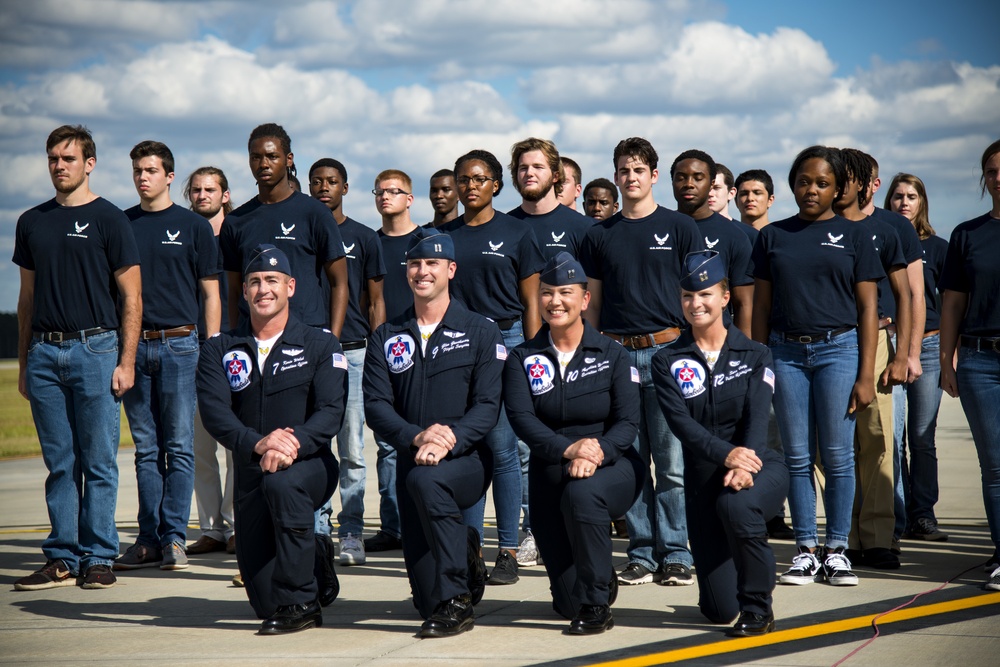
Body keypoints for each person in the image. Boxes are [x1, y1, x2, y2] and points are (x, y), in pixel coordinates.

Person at [13, 125, 141, 591]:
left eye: (68, 158)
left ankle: (99, 556)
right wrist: (26, 362)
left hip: (97, 348)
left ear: (89, 164)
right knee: (61, 462)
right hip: (44, 351)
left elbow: (132, 297)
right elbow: (26, 300)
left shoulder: (110, 219)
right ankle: (62, 556)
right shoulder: (30, 221)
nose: (59, 165)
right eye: (52, 158)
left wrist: (126, 361)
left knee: (100, 459)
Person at [196, 244, 347, 634]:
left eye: (273, 281)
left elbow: (331, 413)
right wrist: (259, 443)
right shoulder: (219, 349)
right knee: (264, 602)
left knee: (284, 485)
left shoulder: (320, 344)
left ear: (291, 287)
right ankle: (314, 556)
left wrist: (290, 444)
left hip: (309, 465)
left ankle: (301, 601)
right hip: (250, 471)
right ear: (244, 291)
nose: (264, 289)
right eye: (255, 282)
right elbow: (216, 413)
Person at [752, 145, 883, 587]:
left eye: (822, 183)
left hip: (839, 351)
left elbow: (868, 308)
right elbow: (761, 306)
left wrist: (866, 373)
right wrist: (759, 362)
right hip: (785, 353)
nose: (812, 189)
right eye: (805, 181)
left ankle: (838, 550)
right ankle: (806, 550)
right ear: (792, 185)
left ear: (838, 188)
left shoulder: (856, 236)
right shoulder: (772, 236)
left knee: (838, 455)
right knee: (796, 456)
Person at [363, 230, 502, 637]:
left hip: (467, 461)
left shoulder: (480, 331)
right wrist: (417, 437)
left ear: (451, 270)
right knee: (424, 600)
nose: (422, 272)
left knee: (441, 596)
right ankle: (465, 551)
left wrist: (448, 438)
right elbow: (376, 408)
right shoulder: (387, 335)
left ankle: (457, 600)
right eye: (415, 264)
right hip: (412, 461)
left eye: (432, 264)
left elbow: (488, 407)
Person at [579, 137, 702, 586]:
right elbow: (591, 304)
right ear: (616, 177)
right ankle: (642, 552)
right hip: (617, 356)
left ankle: (676, 553)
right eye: (623, 171)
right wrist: (591, 354)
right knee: (629, 461)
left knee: (671, 462)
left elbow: (698, 296)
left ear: (653, 176)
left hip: (670, 352)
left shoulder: (680, 227)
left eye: (638, 170)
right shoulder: (598, 235)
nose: (630, 178)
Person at [504, 251, 643, 634]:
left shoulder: (613, 354)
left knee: (583, 495)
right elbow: (522, 418)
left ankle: (598, 604)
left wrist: (596, 451)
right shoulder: (522, 357)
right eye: (547, 293)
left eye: (565, 292)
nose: (555, 301)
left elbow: (628, 422)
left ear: (584, 300)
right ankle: (595, 581)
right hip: (551, 469)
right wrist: (568, 449)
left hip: (612, 465)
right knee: (566, 603)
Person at [653, 250, 788, 636]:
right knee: (716, 609)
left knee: (737, 505)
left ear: (725, 298)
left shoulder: (756, 354)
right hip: (705, 478)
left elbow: (758, 419)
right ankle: (731, 578)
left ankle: (759, 607)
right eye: (688, 296)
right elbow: (681, 424)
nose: (696, 304)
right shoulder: (667, 360)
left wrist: (743, 464)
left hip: (761, 464)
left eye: (706, 294)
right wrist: (726, 456)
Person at [116, 141, 221, 573]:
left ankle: (174, 538)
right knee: (146, 449)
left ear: (169, 176)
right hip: (135, 346)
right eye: (138, 170)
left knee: (178, 446)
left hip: (182, 344)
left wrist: (211, 347)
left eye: (152, 170)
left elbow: (211, 293)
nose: (143, 177)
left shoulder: (193, 226)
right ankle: (147, 538)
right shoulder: (120, 224)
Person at [444, 149, 545, 585]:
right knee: (466, 447)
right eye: (463, 179)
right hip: (457, 345)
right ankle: (469, 548)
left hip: (507, 341)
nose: (470, 186)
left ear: (496, 185)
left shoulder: (517, 232)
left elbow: (531, 303)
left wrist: (533, 352)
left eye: (479, 179)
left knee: (503, 448)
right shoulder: (443, 235)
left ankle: (506, 549)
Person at [835, 149, 911, 571]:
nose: (840, 184)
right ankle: (841, 536)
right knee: (832, 447)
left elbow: (909, 295)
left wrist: (905, 354)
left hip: (876, 341)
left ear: (865, 183)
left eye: (848, 177)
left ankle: (879, 537)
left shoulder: (889, 227)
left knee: (878, 441)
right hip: (824, 344)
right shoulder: (807, 228)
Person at [309, 158, 387, 565]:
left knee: (352, 448)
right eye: (317, 181)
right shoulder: (302, 232)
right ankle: (318, 529)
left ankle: (352, 532)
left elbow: (376, 302)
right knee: (313, 443)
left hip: (355, 352)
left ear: (345, 187)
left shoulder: (362, 237)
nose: (325, 187)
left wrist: (381, 354)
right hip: (307, 353)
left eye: (332, 181)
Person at [939, 138, 1000, 591]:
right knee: (995, 465)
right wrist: (946, 359)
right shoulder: (967, 234)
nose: (999, 178)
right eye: (992, 171)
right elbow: (953, 304)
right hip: (981, 361)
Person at [220, 123, 347, 335]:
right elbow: (234, 292)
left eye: (272, 156)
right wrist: (235, 339)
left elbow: (339, 283)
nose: (263, 164)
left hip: (307, 336)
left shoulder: (315, 214)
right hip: (253, 338)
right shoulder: (235, 221)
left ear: (289, 159)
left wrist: (332, 341)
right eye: (256, 157)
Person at [885, 172, 949, 542]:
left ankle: (923, 514)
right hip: (889, 344)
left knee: (922, 437)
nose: (904, 202)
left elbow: (952, 302)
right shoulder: (880, 239)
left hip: (928, 344)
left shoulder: (938, 247)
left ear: (922, 202)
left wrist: (947, 356)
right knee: (892, 438)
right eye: (897, 196)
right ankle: (898, 513)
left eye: (911, 196)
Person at [365, 169, 423, 555]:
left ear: (410, 198)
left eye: (394, 191)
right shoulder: (371, 242)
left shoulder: (428, 239)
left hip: (427, 344)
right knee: (388, 443)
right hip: (389, 349)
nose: (386, 197)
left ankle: (422, 518)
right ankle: (393, 524)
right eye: (380, 192)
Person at [184, 166, 239, 557]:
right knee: (199, 446)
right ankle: (211, 529)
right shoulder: (185, 232)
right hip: (193, 348)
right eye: (197, 190)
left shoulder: (236, 234)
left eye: (210, 189)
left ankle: (236, 525)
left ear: (225, 194)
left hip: (235, 348)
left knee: (235, 445)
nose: (203, 195)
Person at [670, 150, 754, 334]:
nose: (689, 184)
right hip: (664, 342)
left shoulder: (734, 235)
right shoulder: (659, 229)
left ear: (711, 183)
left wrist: (744, 351)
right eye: (681, 178)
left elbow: (744, 303)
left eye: (698, 178)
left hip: (716, 341)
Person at [508, 138, 591, 261]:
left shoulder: (582, 227)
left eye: (538, 167)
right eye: (523, 168)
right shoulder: (505, 226)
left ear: (555, 176)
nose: (529, 173)